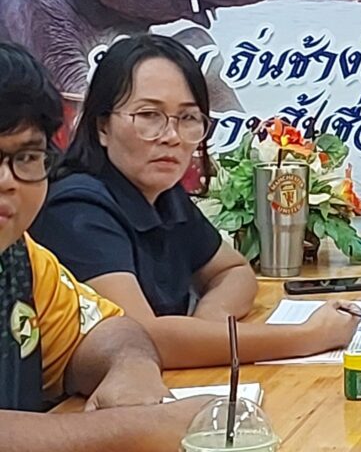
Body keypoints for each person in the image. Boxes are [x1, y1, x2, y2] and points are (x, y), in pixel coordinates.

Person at [32, 35, 361, 369]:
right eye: (149, 115)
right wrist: (309, 337)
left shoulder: (161, 192)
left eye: (188, 118)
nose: (171, 136)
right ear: (102, 126)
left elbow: (233, 271)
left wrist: (209, 321)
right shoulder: (75, 209)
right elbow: (141, 340)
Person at [0, 42, 206, 450]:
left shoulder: (21, 260)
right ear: (102, 126)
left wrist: (131, 368)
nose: (6, 181)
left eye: (26, 157)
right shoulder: (78, 203)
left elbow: (108, 331)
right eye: (149, 115)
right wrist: (135, 428)